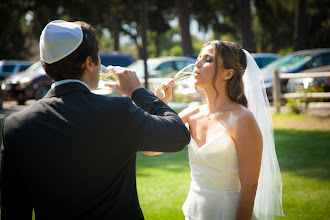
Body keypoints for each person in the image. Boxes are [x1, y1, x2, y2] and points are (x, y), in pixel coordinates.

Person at [0, 20, 190, 219]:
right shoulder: (118, 112)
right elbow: (178, 134)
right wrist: (137, 91)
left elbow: (13, 211)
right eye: (99, 58)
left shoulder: (15, 126)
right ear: (89, 63)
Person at [143, 40, 284, 219]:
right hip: (195, 211)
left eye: (208, 59)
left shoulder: (242, 119)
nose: (197, 64)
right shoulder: (190, 114)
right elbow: (148, 147)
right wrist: (160, 104)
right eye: (198, 58)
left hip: (227, 211)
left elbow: (250, 186)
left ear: (228, 73)